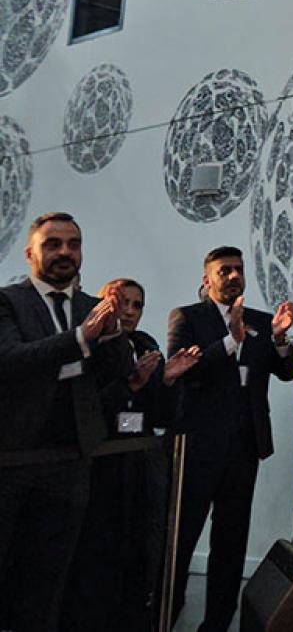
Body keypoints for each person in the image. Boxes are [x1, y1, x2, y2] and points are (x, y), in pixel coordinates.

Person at [0, 212, 125, 632]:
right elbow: (11, 360)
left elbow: (115, 371)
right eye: (53, 244)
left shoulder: (93, 307)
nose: (65, 252)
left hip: (71, 460)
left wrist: (112, 334)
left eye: (73, 244)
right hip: (12, 459)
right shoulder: (8, 301)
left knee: (50, 579)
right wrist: (79, 339)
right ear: (30, 252)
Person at [168, 246, 293, 632]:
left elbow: (287, 371)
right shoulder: (188, 317)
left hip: (244, 447)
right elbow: (182, 369)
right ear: (207, 279)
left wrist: (278, 339)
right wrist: (229, 341)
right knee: (183, 538)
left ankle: (218, 624)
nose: (234, 275)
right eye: (224, 270)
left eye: (238, 269)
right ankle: (165, 614)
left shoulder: (260, 320)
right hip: (198, 446)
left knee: (231, 540)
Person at [61, 278, 201, 632]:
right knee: (93, 565)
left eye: (137, 304)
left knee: (139, 559)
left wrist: (167, 382)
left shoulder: (146, 345)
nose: (129, 310)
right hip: (96, 472)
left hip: (140, 472)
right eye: (121, 301)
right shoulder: (85, 347)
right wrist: (130, 385)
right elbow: (80, 411)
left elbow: (164, 417)